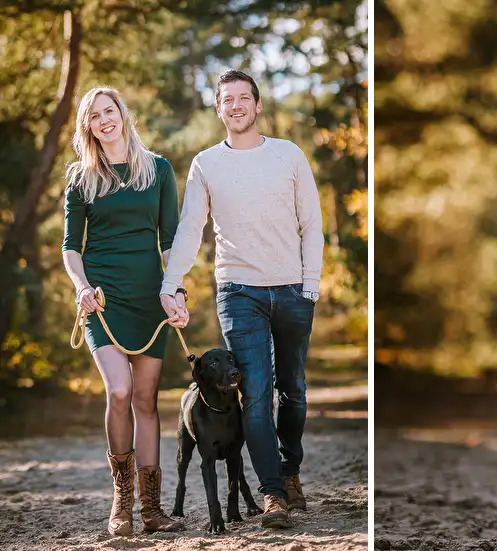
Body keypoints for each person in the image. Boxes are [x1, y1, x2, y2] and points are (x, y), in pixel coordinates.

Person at [160, 69, 324, 530]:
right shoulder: (206, 164)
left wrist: (310, 284)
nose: (236, 105)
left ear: (256, 105)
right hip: (238, 291)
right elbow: (191, 228)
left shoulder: (289, 155)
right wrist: (170, 283)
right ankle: (273, 494)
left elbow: (311, 224)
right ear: (218, 108)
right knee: (254, 395)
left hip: (292, 288)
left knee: (293, 390)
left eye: (243, 98)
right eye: (227, 99)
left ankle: (290, 472)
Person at [61, 86, 187, 536]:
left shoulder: (158, 170)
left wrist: (176, 293)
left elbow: (170, 240)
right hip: (103, 300)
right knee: (119, 391)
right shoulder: (81, 178)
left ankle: (151, 510)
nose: (103, 120)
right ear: (88, 126)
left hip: (149, 300)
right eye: (94, 115)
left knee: (145, 399)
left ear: (122, 114)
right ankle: (122, 502)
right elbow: (71, 248)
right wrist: (80, 288)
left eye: (108, 111)